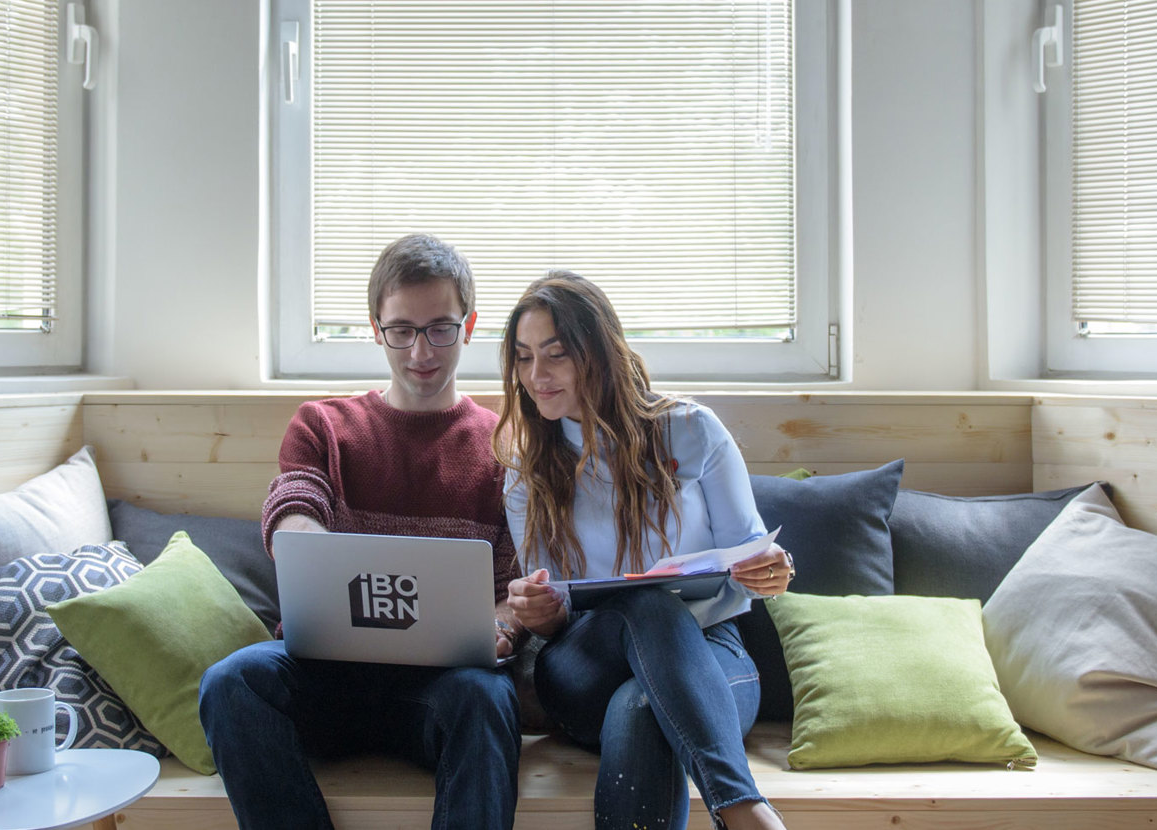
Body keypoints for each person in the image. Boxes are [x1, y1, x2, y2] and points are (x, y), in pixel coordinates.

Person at [199, 234, 525, 830]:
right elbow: (295, 504)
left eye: (440, 328)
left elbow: (513, 584)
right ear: (376, 328)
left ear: (470, 326)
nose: (421, 350)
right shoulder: (323, 425)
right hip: (326, 681)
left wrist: (501, 626)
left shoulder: (505, 446)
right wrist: (310, 548)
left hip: (440, 693)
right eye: (402, 329)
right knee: (230, 682)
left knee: (489, 697)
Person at [497, 271, 795, 830]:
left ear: (599, 352)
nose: (536, 376)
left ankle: (736, 805)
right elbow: (556, 613)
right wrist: (538, 610)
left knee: (642, 709)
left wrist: (771, 571)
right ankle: (743, 809)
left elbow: (751, 555)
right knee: (646, 601)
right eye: (523, 357)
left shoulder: (692, 431)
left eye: (555, 355)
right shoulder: (526, 471)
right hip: (583, 665)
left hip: (711, 652)